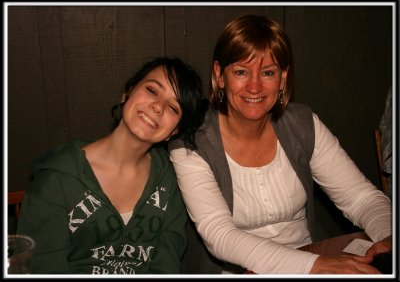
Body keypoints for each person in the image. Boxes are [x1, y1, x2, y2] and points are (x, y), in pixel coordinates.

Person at [168, 14, 392, 274]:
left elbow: (361, 198)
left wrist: (388, 237)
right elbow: (220, 236)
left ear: (283, 78)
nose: (254, 86)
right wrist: (314, 265)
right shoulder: (191, 142)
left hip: (310, 257)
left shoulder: (302, 124)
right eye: (241, 72)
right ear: (220, 75)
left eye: (268, 72)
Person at [17, 56, 207, 274]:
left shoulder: (170, 180)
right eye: (153, 90)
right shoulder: (57, 177)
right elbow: (44, 268)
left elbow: (166, 265)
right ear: (127, 93)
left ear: (174, 131)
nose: (158, 107)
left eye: (173, 107)